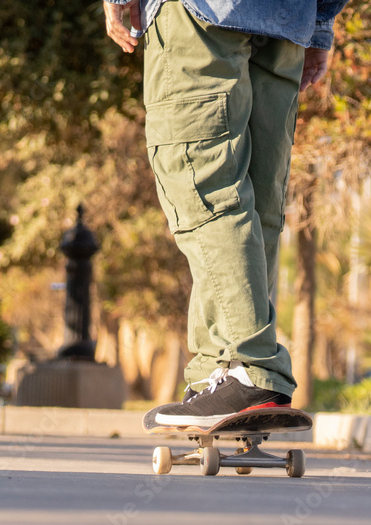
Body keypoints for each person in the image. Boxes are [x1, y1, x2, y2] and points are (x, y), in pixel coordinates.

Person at [104, 0, 349, 427]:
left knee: (203, 186)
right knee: (256, 202)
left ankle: (249, 368)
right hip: (289, 20)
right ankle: (218, 373)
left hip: (202, 15)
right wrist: (320, 24)